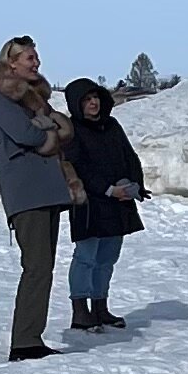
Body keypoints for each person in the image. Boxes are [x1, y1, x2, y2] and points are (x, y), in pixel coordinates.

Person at [0, 40, 79, 361]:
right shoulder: (0, 100)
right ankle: (24, 342)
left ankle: (31, 338)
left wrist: (45, 124)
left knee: (43, 268)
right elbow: (28, 135)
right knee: (36, 267)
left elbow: (47, 131)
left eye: (36, 57)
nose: (37, 63)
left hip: (45, 190)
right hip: (27, 193)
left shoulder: (34, 102)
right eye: (30, 58)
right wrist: (48, 129)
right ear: (12, 63)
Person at [63, 79, 147, 332]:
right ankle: (80, 311)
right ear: (77, 103)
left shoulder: (112, 125)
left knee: (107, 258)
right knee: (86, 258)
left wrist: (135, 185)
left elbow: (129, 157)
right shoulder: (73, 130)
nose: (94, 103)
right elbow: (78, 165)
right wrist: (108, 189)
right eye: (87, 99)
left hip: (118, 202)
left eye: (96, 97)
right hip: (90, 204)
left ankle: (100, 307)